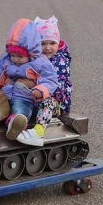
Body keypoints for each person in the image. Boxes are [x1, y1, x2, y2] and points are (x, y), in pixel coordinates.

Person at [0, 18, 58, 140]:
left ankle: (16, 124)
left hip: (25, 97)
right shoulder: (6, 59)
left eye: (20, 56)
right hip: (6, 94)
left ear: (31, 53)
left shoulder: (41, 63)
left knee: (20, 109)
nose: (15, 59)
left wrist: (40, 89)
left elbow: (51, 79)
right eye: (13, 55)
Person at [17, 16, 72, 146]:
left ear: (58, 43)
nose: (47, 48)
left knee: (47, 102)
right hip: (36, 95)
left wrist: (35, 86)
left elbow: (57, 85)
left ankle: (38, 131)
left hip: (56, 101)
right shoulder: (35, 58)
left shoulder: (60, 61)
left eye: (52, 43)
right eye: (43, 43)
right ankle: (17, 120)